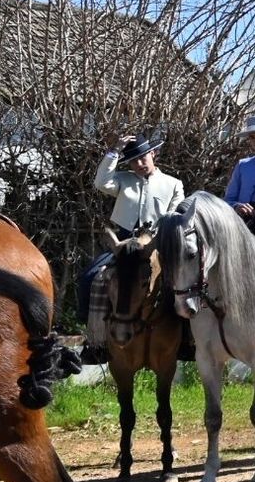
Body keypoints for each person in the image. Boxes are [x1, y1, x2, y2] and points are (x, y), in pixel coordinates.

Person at [79, 133, 187, 357]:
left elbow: (175, 217)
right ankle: (95, 340)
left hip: (157, 245)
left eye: (142, 158)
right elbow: (101, 182)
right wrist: (114, 151)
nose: (138, 164)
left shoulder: (173, 184)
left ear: (153, 154)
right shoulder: (121, 180)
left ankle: (186, 341)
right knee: (91, 277)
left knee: (183, 283)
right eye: (133, 161)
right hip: (123, 245)